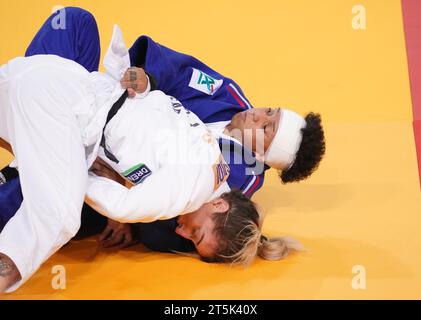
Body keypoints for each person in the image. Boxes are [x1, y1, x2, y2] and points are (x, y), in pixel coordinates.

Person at [1, 7, 325, 252]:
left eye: (265, 129)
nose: (257, 115)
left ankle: (29, 131)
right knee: (74, 22)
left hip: (99, 170)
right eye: (270, 111)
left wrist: (125, 213)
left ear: (262, 155)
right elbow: (174, 70)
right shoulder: (229, 94)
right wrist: (143, 77)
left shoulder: (238, 178)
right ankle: (27, 115)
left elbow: (176, 219)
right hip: (100, 109)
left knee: (40, 196)